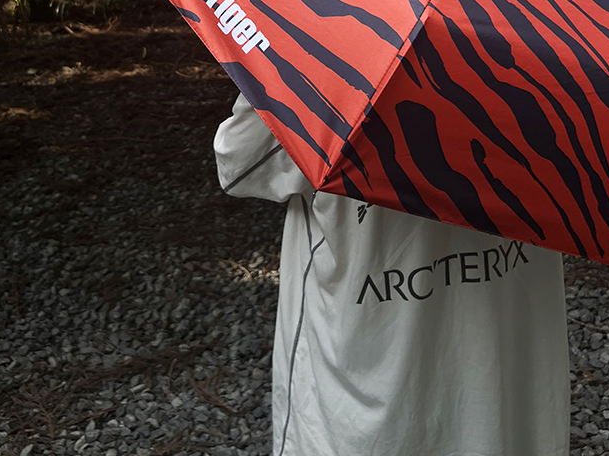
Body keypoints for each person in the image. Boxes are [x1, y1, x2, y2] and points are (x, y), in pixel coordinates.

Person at [214, 92, 570, 456]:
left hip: (365, 388)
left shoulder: (322, 64)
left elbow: (238, 161)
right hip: (509, 390)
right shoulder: (557, 56)